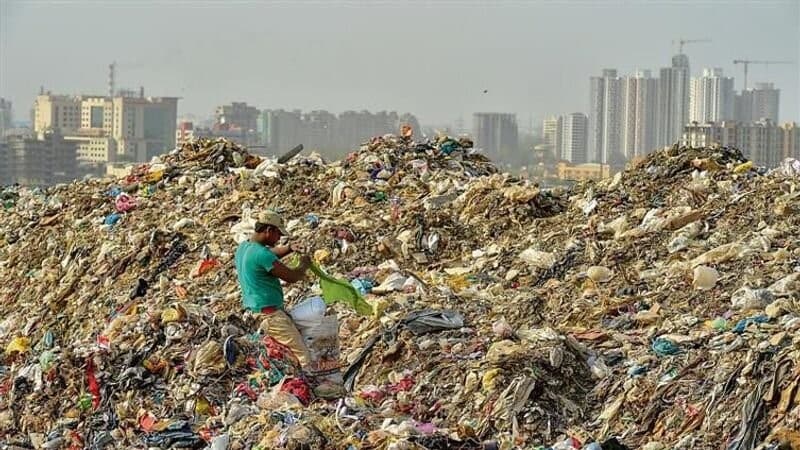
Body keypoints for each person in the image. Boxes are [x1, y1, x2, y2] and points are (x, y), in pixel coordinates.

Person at [234, 210, 312, 367]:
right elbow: (291, 276)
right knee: (303, 357)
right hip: (272, 317)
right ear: (268, 231)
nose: (278, 239)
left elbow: (268, 253)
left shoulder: (244, 247)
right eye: (278, 234)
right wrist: (304, 265)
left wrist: (289, 248)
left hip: (256, 313)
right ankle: (315, 388)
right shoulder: (262, 255)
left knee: (281, 358)